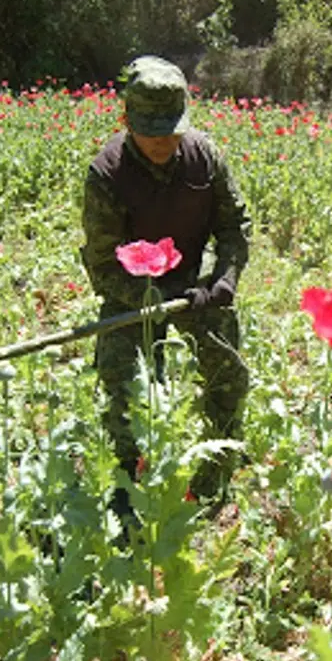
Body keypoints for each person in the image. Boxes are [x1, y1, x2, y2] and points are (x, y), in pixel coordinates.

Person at [80, 55, 251, 516]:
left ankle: (217, 468)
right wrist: (153, 299)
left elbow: (235, 228)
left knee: (228, 374)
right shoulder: (107, 174)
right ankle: (128, 483)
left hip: (197, 286)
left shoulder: (205, 157)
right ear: (127, 121)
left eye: (169, 129)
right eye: (148, 130)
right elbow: (102, 265)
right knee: (125, 386)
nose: (160, 141)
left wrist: (223, 281)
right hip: (132, 295)